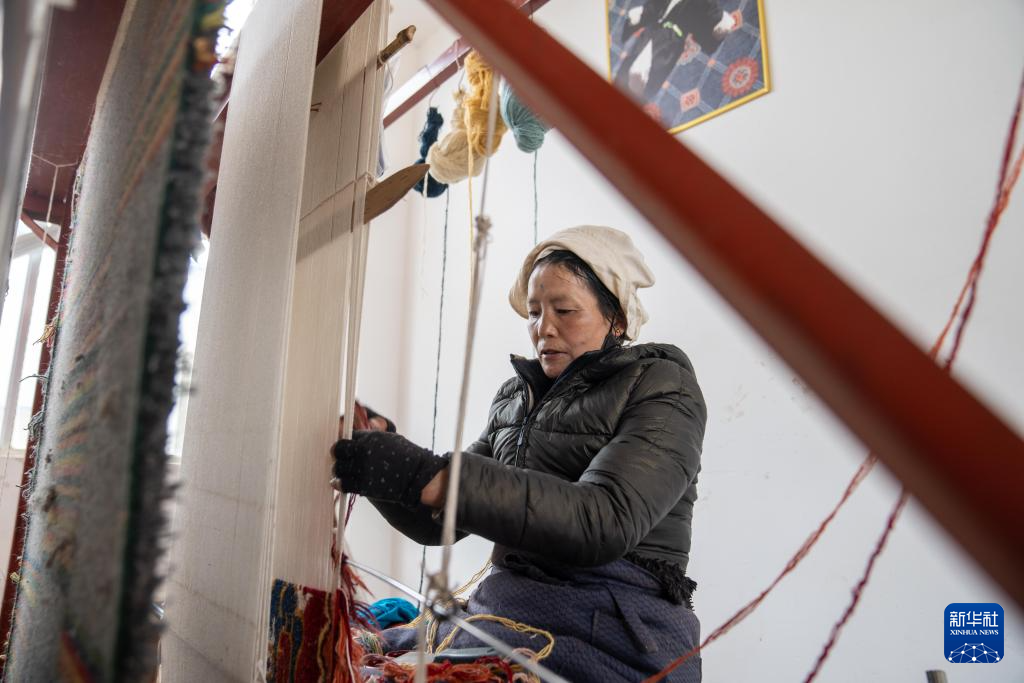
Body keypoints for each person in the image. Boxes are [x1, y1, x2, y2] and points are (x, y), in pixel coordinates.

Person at [332, 225, 706, 682]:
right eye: (533, 312)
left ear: (617, 319)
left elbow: (604, 520)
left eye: (564, 311)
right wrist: (383, 467)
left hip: (612, 624)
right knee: (348, 654)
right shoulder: (516, 398)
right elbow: (441, 518)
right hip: (513, 609)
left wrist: (426, 476)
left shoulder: (663, 387)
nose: (543, 329)